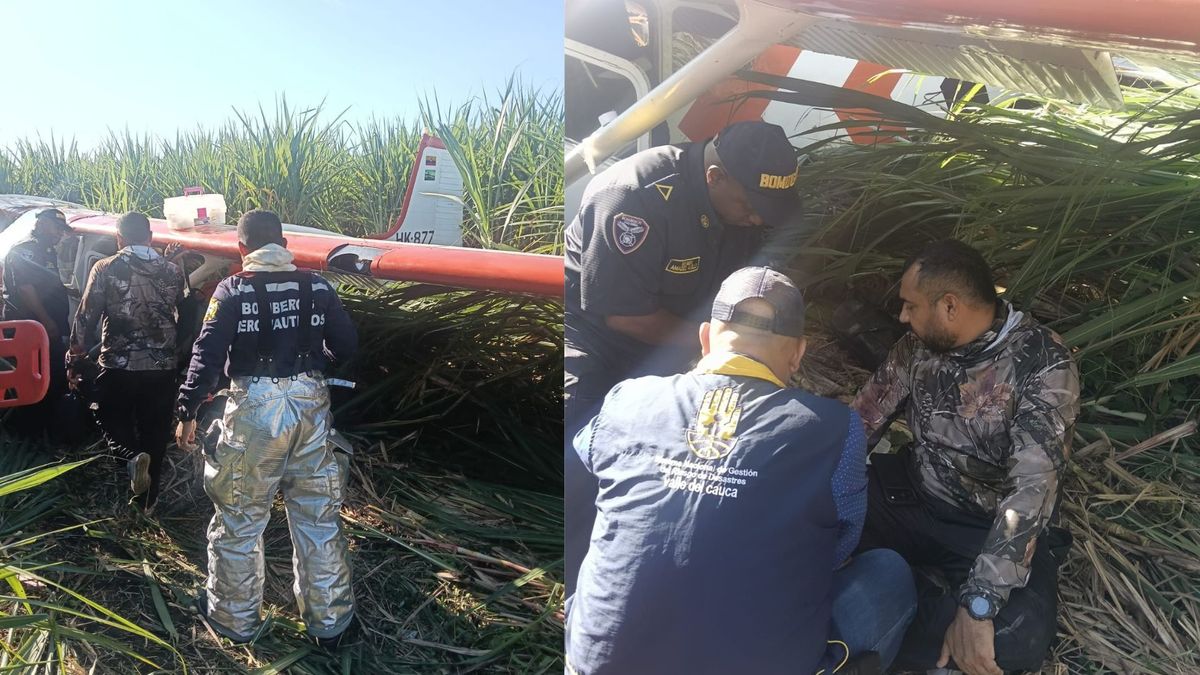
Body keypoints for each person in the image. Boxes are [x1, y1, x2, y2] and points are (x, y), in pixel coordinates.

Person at [566, 266, 916, 675]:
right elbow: (840, 544)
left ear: (704, 338)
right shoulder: (835, 429)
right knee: (888, 572)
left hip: (595, 662)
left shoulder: (628, 399)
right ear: (799, 352)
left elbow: (585, 480)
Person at [564, 120, 801, 591]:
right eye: (752, 208)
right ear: (716, 177)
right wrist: (715, 348)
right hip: (600, 336)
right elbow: (623, 316)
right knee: (577, 440)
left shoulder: (741, 203)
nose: (758, 220)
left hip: (692, 338)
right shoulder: (633, 195)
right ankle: (580, 572)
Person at [851, 240, 1080, 675]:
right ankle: (919, 616)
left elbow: (1031, 492)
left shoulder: (1043, 362)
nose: (902, 317)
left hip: (983, 528)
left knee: (1018, 636)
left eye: (910, 306)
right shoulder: (915, 347)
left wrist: (979, 605)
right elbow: (863, 419)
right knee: (807, 523)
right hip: (911, 498)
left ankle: (883, 618)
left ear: (950, 307)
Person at [174, 209, 358, 647]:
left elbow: (207, 354)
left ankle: (234, 620)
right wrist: (318, 367)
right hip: (310, 403)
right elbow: (347, 343)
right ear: (285, 244)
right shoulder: (317, 286)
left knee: (240, 516)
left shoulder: (232, 289)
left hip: (255, 407)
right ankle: (329, 623)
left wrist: (186, 409)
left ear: (242, 249)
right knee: (318, 514)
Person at [67, 212, 185, 510]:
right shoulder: (171, 271)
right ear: (151, 237)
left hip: (119, 363)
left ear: (119, 238)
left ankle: (130, 457)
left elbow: (85, 316)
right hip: (162, 366)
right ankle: (147, 503)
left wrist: (75, 356)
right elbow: (178, 309)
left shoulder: (105, 268)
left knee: (108, 415)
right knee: (155, 432)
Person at [2, 207, 73, 436]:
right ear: (41, 223)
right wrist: (47, 320)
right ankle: (28, 435)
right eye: (56, 228)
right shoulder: (25, 252)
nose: (59, 234)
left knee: (53, 377)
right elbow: (25, 289)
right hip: (30, 331)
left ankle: (47, 431)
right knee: (32, 381)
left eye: (62, 230)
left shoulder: (46, 251)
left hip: (46, 330)